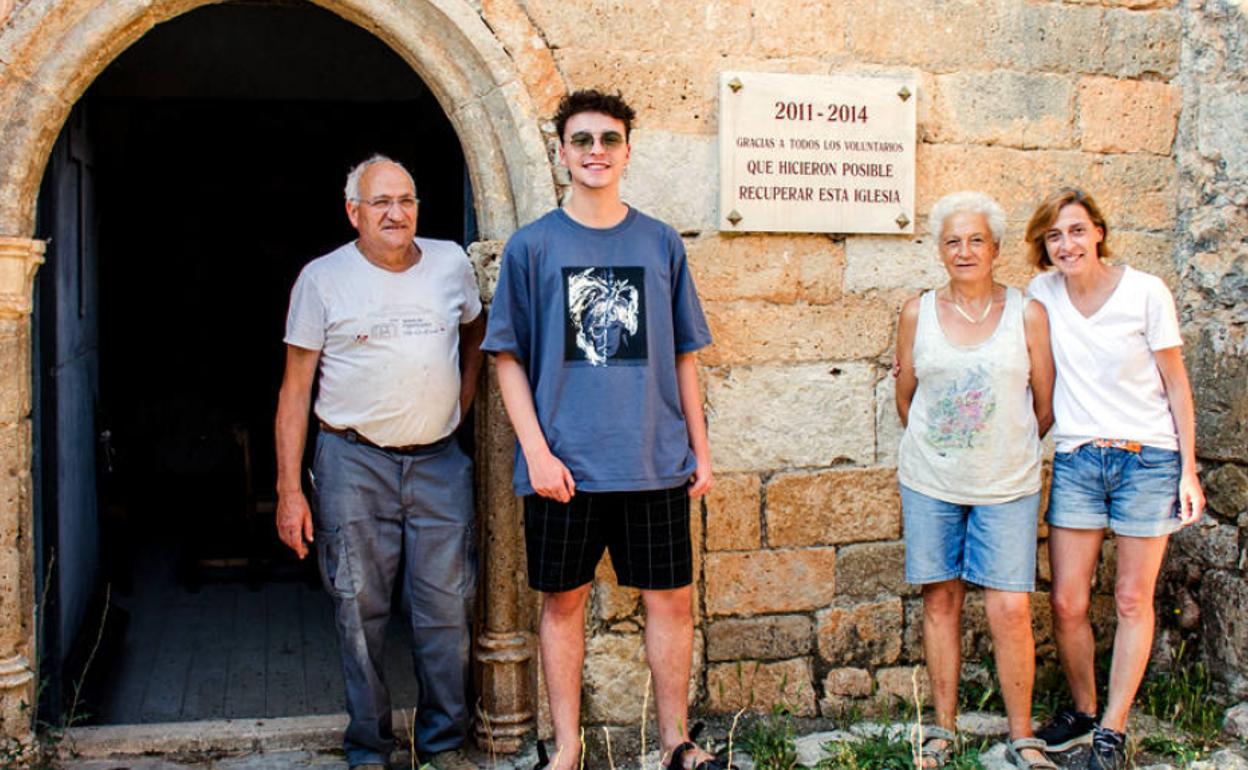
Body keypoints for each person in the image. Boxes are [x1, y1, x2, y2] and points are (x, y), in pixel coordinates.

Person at [481, 90, 726, 770]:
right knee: (562, 608)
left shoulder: (659, 242)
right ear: (562, 153)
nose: (596, 151)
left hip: (652, 461)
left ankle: (676, 741)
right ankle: (564, 750)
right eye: (582, 140)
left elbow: (683, 355)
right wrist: (536, 453)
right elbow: (507, 358)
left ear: (626, 150)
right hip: (564, 467)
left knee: (671, 604)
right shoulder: (533, 247)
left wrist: (700, 453)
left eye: (609, 139)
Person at [274, 154, 485, 770]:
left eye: (407, 200)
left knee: (446, 607)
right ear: (354, 212)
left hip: (440, 464)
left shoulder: (451, 263)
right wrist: (291, 490)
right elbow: (294, 391)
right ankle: (370, 748)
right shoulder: (322, 279)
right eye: (381, 203)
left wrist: (461, 401)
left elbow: (474, 334)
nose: (397, 213)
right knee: (358, 606)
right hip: (352, 463)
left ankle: (442, 744)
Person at [1025, 188, 1205, 770]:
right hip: (1079, 458)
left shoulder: (1146, 292)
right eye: (1054, 236)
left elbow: (1176, 384)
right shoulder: (1041, 294)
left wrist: (1189, 471)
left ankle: (1113, 729)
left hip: (1147, 459)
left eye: (1076, 231)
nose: (1066, 244)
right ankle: (1082, 710)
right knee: (1067, 600)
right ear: (1043, 247)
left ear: (1098, 232)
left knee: (1131, 597)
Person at [895, 191, 1056, 770]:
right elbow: (906, 399)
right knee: (941, 599)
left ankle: (1022, 733)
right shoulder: (917, 312)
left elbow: (1045, 404)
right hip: (930, 480)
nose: (964, 251)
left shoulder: (1027, 313)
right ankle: (942, 729)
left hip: (1007, 483)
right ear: (940, 250)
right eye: (952, 241)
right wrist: (947, 448)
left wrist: (1000, 447)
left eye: (976, 240)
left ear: (995, 248)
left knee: (1009, 607)